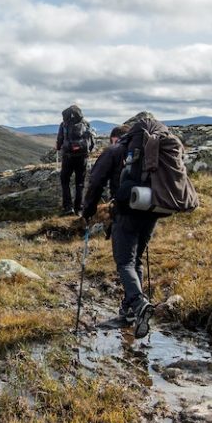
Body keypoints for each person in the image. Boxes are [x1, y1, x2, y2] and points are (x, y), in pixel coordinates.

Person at [81, 120, 156, 339]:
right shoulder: (154, 150)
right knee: (136, 260)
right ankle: (130, 311)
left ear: (118, 138)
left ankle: (139, 304)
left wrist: (88, 211)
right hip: (152, 209)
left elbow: (95, 182)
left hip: (127, 211)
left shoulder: (115, 150)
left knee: (124, 261)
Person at [55, 104, 95, 216]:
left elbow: (60, 140)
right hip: (82, 157)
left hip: (68, 157)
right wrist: (88, 152)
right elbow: (91, 142)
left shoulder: (64, 124)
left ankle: (68, 207)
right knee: (80, 183)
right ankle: (79, 209)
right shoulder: (86, 124)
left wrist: (59, 147)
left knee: (65, 181)